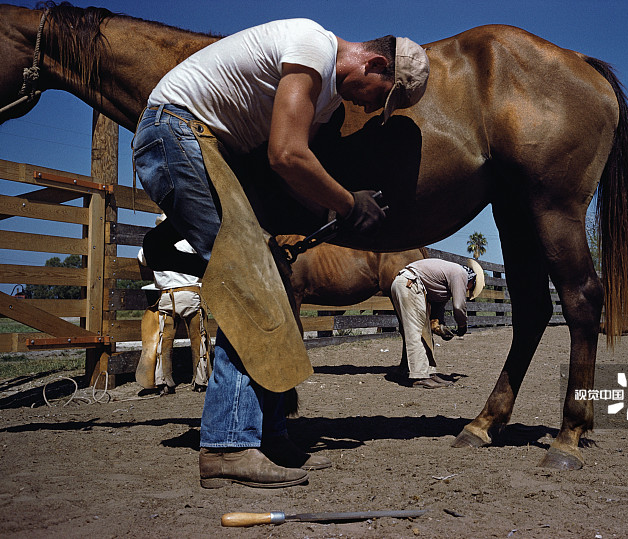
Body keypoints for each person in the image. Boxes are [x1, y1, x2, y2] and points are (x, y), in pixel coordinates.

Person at [132, 18, 429, 489]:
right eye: (380, 95)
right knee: (251, 284)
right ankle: (228, 447)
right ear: (374, 63)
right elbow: (286, 155)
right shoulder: (312, 44)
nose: (371, 107)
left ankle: (268, 435)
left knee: (271, 276)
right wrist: (350, 202)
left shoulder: (326, 102)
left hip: (206, 147)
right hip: (175, 133)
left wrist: (342, 215)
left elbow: (296, 179)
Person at [136, 215, 212, 396]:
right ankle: (201, 380)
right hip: (191, 294)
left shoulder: (152, 246)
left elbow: (142, 259)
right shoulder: (191, 242)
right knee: (199, 337)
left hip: (166, 297)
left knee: (164, 339)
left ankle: (163, 381)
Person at [390, 258, 484, 388]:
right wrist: (462, 325)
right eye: (471, 287)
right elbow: (458, 306)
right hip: (410, 283)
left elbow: (438, 306)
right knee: (416, 332)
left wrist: (440, 326)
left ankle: (429, 372)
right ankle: (420, 376)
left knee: (426, 332)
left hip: (409, 283)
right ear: (472, 280)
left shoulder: (446, 280)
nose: (467, 290)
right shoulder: (460, 273)